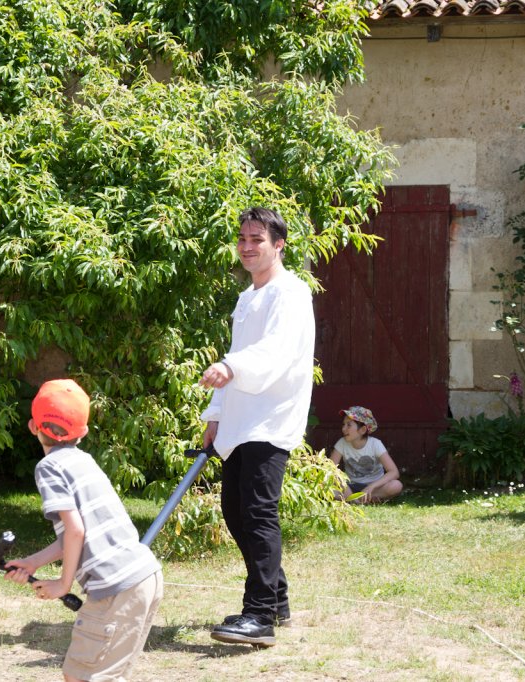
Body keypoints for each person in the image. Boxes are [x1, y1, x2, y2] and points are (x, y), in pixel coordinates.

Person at [199, 207, 315, 648]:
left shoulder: (291, 293)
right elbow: (240, 350)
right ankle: (277, 599)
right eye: (243, 239)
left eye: (257, 240)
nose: (247, 247)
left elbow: (276, 351)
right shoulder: (248, 297)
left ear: (278, 245)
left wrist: (231, 367)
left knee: (258, 513)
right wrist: (215, 415)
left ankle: (260, 614)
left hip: (271, 417)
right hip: (239, 419)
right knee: (235, 511)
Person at [3, 379, 163, 682]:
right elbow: (77, 533)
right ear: (84, 432)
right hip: (144, 575)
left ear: (33, 426)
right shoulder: (83, 461)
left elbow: (75, 530)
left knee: (79, 676)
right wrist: (33, 562)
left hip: (115, 587)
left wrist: (63, 585)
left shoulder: (49, 467)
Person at [329, 406, 403, 504]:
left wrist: (371, 487)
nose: (343, 429)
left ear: (363, 430)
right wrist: (346, 490)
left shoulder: (375, 444)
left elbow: (394, 472)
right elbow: (330, 470)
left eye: (348, 425)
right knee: (329, 489)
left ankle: (358, 500)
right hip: (351, 487)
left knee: (396, 485)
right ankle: (359, 500)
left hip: (374, 488)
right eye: (343, 424)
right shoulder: (342, 443)